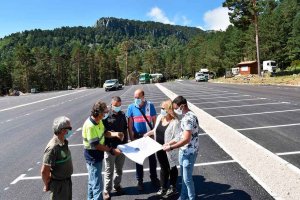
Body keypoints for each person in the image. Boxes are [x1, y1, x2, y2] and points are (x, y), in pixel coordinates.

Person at [82, 100, 124, 200]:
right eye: (105, 112)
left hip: (97, 155)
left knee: (92, 182)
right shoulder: (91, 126)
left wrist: (116, 134)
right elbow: (96, 145)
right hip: (93, 157)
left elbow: (105, 132)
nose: (107, 114)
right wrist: (112, 150)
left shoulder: (99, 121)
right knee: (97, 185)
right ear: (99, 113)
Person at [163, 96, 200, 200]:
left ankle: (192, 198)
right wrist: (169, 142)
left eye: (176, 108)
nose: (175, 110)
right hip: (184, 151)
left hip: (189, 152)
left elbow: (186, 139)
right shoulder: (185, 116)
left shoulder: (188, 118)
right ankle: (183, 197)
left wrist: (171, 147)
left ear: (182, 106)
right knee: (184, 178)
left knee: (187, 179)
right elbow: (180, 135)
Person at [145, 99, 180, 198]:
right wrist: (148, 133)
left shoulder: (175, 122)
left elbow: (178, 137)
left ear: (169, 110)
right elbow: (155, 130)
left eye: (163, 108)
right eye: (161, 108)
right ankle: (163, 187)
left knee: (172, 167)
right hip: (159, 148)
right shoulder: (160, 117)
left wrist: (169, 144)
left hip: (169, 149)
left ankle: (172, 187)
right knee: (163, 168)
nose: (161, 110)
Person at [127, 88, 159, 191]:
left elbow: (155, 121)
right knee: (139, 160)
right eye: (134, 97)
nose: (136, 99)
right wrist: (131, 139)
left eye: (138, 97)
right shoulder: (131, 107)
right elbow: (130, 124)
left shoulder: (150, 105)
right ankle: (139, 180)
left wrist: (154, 134)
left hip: (149, 137)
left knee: (152, 159)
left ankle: (154, 178)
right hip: (137, 137)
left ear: (143, 97)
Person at [41, 116, 74, 200]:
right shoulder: (52, 148)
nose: (70, 130)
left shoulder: (63, 142)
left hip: (66, 182)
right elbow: (44, 171)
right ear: (63, 130)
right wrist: (47, 184)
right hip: (59, 186)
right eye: (69, 128)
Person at [102, 96, 128, 199]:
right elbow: (104, 133)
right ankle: (106, 191)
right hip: (110, 148)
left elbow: (125, 129)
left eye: (119, 105)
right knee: (109, 170)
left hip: (121, 147)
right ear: (111, 104)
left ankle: (117, 185)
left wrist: (126, 142)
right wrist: (115, 134)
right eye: (116, 105)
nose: (118, 107)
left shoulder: (122, 115)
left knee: (119, 169)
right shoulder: (106, 117)